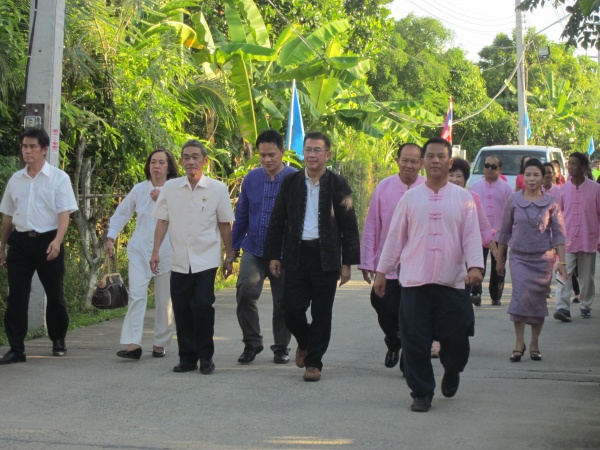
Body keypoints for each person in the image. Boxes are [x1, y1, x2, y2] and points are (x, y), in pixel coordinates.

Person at [374, 137, 484, 413]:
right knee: (414, 339)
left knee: (457, 338)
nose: (435, 161)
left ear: (450, 162)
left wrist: (475, 267)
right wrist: (382, 272)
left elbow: (472, 236)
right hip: (414, 281)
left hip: (452, 281)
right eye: (431, 156)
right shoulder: (410, 198)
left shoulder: (464, 198)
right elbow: (395, 239)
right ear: (424, 162)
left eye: (441, 156)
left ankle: (452, 369)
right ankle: (422, 392)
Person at [265, 131, 360, 382]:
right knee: (290, 309)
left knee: (321, 312)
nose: (312, 155)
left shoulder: (338, 184)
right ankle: (306, 342)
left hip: (326, 257)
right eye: (308, 150)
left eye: (317, 150)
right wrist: (273, 255)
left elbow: (349, 225)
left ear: (327, 155)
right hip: (296, 255)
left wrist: (347, 263)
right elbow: (277, 220)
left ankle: (314, 363)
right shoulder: (291, 182)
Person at [150, 140, 235, 374]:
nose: (190, 162)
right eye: (186, 157)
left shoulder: (217, 189)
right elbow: (162, 221)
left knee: (202, 305)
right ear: (181, 161)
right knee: (182, 309)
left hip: (206, 259)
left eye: (195, 157)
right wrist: (155, 251)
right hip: (179, 259)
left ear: (205, 161)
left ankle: (206, 357)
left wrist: (229, 255)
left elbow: (224, 224)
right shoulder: (171, 188)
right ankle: (187, 358)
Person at [0, 128, 78, 364]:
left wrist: (58, 240)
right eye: (24, 146)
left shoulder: (58, 178)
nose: (27, 151)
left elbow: (64, 213)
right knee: (17, 296)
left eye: (32, 146)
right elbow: (8, 216)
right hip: (20, 242)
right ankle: (16, 348)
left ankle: (58, 338)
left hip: (48, 240)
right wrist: (2, 246)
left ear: (44, 150)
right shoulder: (16, 179)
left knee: (55, 294)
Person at [106, 149, 178, 360]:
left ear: (169, 167)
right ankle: (133, 344)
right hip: (139, 251)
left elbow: (183, 217)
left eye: (161, 162)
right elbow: (122, 213)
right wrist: (110, 237)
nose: (156, 166)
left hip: (167, 252)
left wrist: (162, 199)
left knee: (165, 300)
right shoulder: (139, 189)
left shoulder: (176, 190)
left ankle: (160, 343)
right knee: (136, 295)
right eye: (153, 162)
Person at [232, 130, 296, 364]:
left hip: (285, 253)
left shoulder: (295, 179)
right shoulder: (251, 179)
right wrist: (232, 248)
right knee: (245, 291)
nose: (267, 160)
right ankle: (252, 342)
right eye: (262, 155)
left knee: (284, 301)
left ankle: (281, 347)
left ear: (282, 152)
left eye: (271, 155)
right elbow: (241, 214)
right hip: (254, 248)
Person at [358, 143, 425, 370]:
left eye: (414, 161)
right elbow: (372, 226)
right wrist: (368, 262)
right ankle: (394, 340)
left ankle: (409, 353)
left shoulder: (428, 189)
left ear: (421, 163)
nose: (409, 165)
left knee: (413, 313)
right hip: (388, 264)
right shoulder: (384, 187)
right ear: (397, 161)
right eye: (405, 160)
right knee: (382, 304)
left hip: (418, 266)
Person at [496, 158, 567, 362]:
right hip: (519, 258)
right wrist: (499, 259)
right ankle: (519, 343)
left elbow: (559, 234)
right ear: (522, 177)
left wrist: (562, 264)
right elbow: (504, 231)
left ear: (543, 178)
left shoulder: (551, 202)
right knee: (519, 298)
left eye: (536, 175)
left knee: (537, 301)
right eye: (528, 175)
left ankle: (534, 343)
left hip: (543, 260)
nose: (532, 179)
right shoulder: (513, 200)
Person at [553, 152, 600, 322]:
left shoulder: (596, 189)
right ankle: (562, 307)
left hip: (589, 238)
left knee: (586, 277)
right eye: (569, 163)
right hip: (567, 240)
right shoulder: (563, 189)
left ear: (583, 167)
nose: (570, 167)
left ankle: (585, 305)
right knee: (564, 272)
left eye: (574, 164)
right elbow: (557, 215)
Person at [448, 157, 497, 306]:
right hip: (442, 252)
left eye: (459, 176)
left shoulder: (472, 198)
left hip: (463, 253)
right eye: (451, 175)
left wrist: (494, 248)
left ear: (465, 179)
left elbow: (483, 224)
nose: (454, 179)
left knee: (460, 291)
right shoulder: (437, 195)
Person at [469, 154, 513, 306]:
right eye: (487, 166)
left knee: (498, 265)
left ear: (499, 169)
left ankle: (496, 295)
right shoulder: (475, 187)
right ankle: (476, 292)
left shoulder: (507, 188)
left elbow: (511, 212)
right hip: (479, 234)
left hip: (500, 235)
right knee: (477, 263)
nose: (489, 169)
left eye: (493, 167)